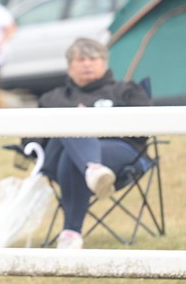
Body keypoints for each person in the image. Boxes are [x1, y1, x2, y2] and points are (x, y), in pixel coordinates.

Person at [24, 38, 152, 250]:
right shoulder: (52, 98)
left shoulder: (126, 91)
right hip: (57, 158)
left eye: (93, 58)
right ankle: (92, 169)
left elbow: (144, 129)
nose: (87, 64)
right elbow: (31, 138)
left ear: (104, 62)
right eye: (81, 59)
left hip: (120, 151)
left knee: (73, 154)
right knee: (71, 125)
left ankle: (71, 232)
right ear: (69, 66)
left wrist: (95, 120)